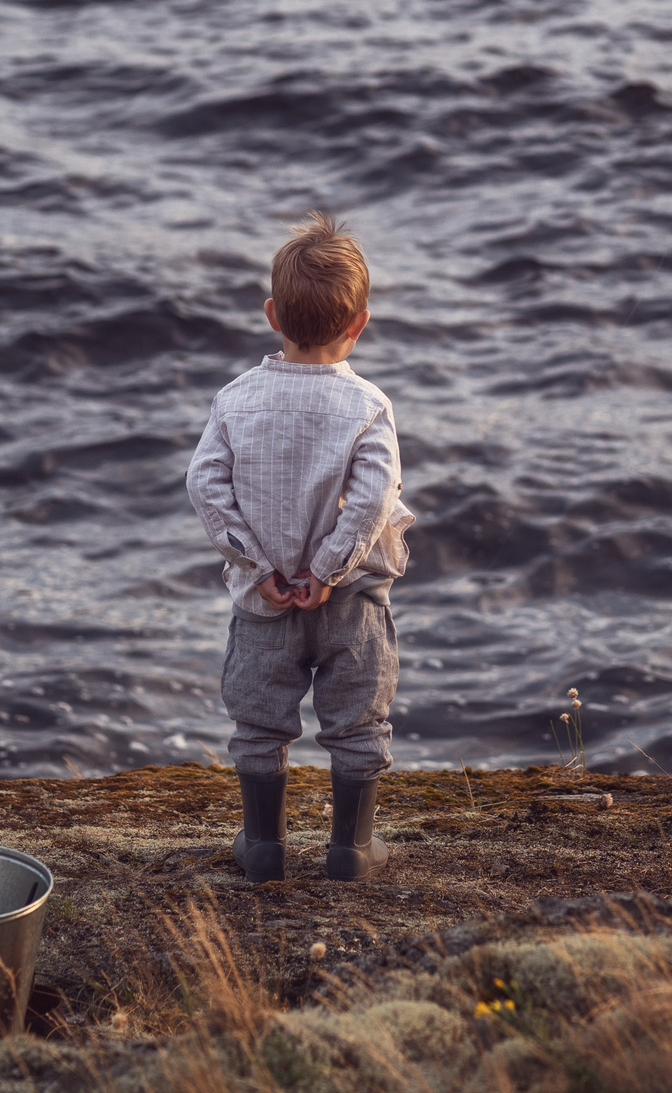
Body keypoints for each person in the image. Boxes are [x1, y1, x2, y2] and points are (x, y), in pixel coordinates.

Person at [186, 212, 414, 884]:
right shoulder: (369, 405)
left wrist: (259, 569)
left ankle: (263, 849)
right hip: (350, 599)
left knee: (259, 724)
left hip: (265, 603)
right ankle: (350, 849)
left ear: (271, 315)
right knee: (357, 722)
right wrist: (327, 571)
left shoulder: (235, 399)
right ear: (360, 323)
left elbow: (204, 483)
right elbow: (374, 499)